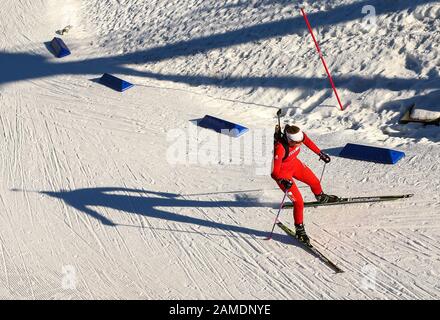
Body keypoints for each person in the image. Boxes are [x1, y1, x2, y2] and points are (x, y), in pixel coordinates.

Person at [271, 124, 338, 245]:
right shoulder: (280, 147)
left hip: (294, 165)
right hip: (283, 174)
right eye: (297, 143)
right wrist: (282, 180)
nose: (300, 144)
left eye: (301, 141)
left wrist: (320, 154)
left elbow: (308, 141)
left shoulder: (298, 136)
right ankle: (299, 229)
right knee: (298, 202)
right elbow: (274, 172)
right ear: (289, 140)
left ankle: (320, 197)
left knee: (315, 182)